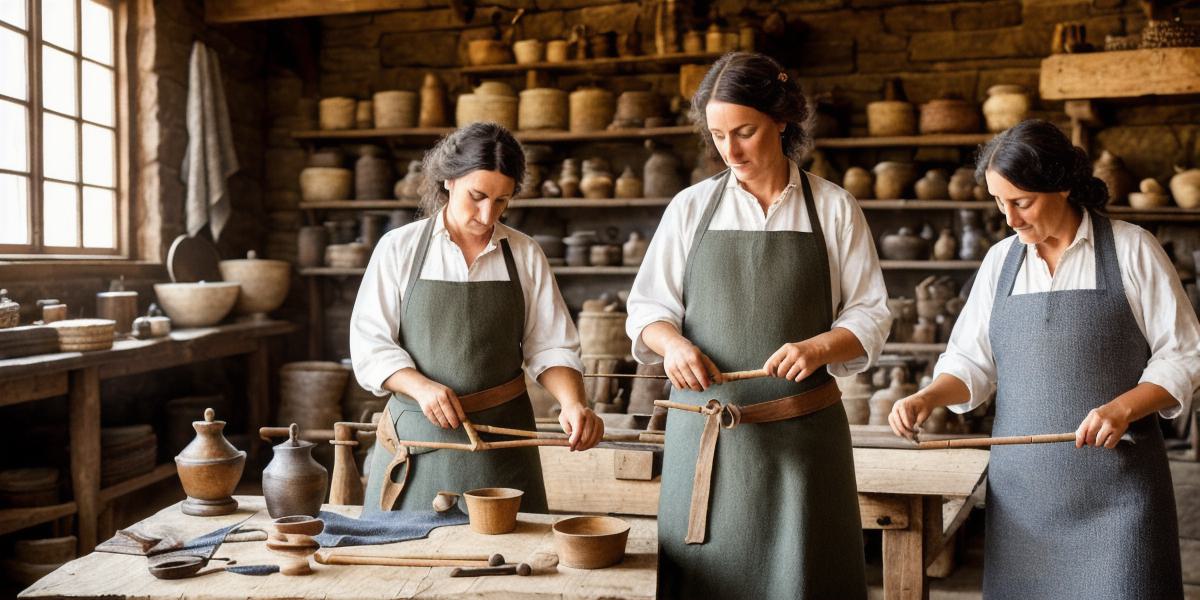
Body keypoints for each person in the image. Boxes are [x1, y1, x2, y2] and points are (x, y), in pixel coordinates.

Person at [889, 119, 1197, 599]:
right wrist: (928, 396)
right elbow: (971, 361)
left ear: (1063, 185)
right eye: (998, 201)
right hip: (1023, 502)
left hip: (1119, 494)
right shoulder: (1000, 262)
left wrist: (1123, 408)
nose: (1009, 217)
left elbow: (1183, 354)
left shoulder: (1132, 249)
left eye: (1022, 201)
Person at [625, 52, 891, 599]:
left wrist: (820, 347)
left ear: (782, 120)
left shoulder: (833, 208)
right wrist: (671, 344)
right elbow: (647, 308)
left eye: (744, 132)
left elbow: (870, 312)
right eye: (718, 135)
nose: (731, 150)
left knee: (807, 578)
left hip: (803, 438)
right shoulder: (690, 208)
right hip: (710, 441)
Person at [350, 122, 604, 513]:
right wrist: (420, 386)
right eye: (478, 196)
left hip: (503, 447)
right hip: (419, 443)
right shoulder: (398, 248)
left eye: (502, 201)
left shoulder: (524, 254)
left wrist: (573, 403)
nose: (488, 215)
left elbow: (551, 345)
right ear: (448, 180)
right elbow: (370, 345)